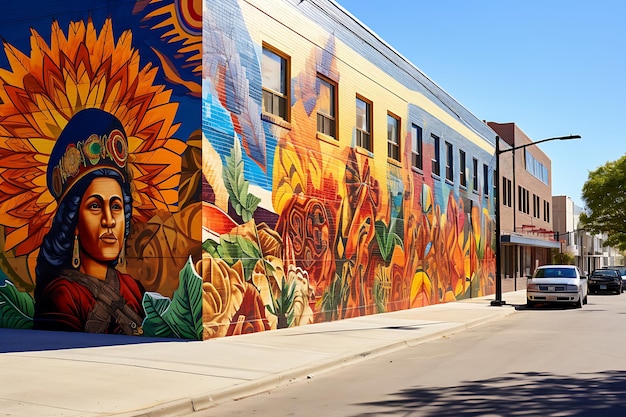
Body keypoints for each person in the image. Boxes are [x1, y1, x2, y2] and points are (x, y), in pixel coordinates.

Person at [34, 108, 145, 335]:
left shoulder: (132, 288)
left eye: (116, 207)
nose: (108, 221)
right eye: (95, 206)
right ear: (74, 222)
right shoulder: (63, 295)